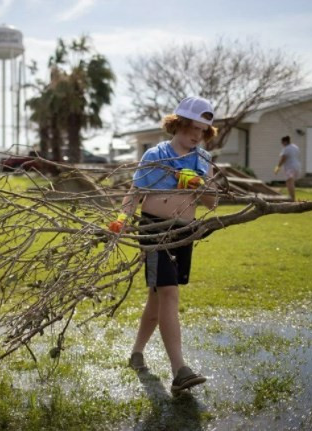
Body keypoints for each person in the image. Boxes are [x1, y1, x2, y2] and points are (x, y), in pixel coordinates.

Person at [109, 96, 218, 394]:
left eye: (202, 130)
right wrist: (120, 220)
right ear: (177, 124)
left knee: (157, 299)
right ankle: (179, 370)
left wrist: (201, 184)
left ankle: (136, 353)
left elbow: (212, 203)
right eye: (191, 128)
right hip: (154, 230)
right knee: (169, 292)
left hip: (184, 232)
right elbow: (135, 192)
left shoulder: (203, 159)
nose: (196, 135)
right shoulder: (157, 155)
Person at [273, 135, 301, 201]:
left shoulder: (286, 148)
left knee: (289, 182)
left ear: (285, 142)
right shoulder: (295, 147)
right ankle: (292, 197)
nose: (282, 144)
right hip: (297, 166)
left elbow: (283, 158)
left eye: (282, 143)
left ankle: (292, 198)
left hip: (290, 167)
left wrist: (278, 167)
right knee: (291, 182)